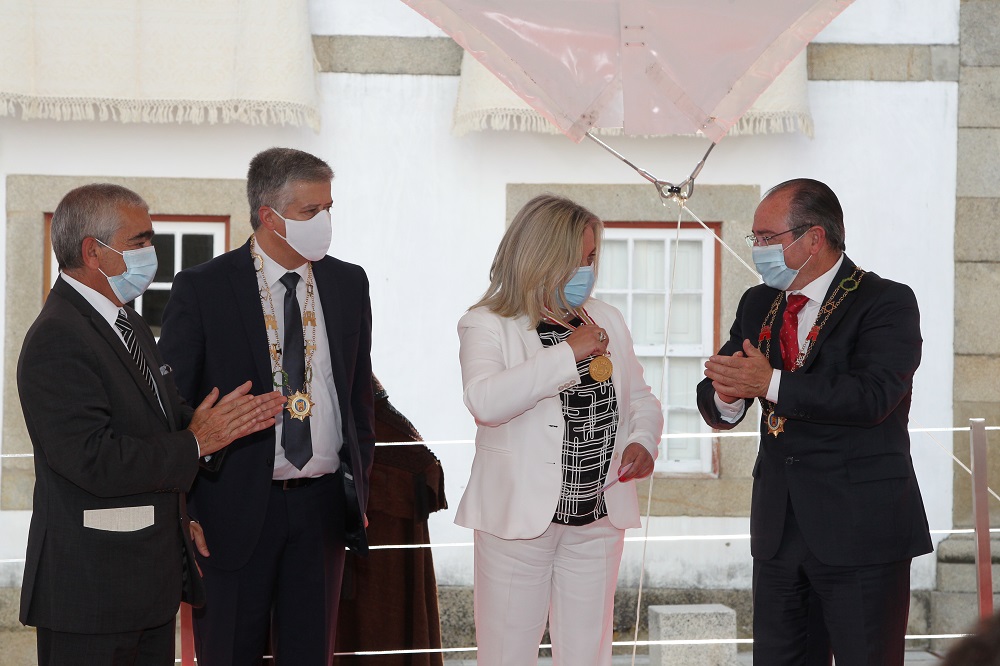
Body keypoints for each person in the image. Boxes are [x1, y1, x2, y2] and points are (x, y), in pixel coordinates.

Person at [17, 183, 284, 666]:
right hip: (92, 593)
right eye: (138, 241)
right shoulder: (58, 336)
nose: (150, 253)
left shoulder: (126, 322)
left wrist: (223, 425)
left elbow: (167, 417)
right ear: (93, 252)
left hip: (148, 585)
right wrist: (197, 441)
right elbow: (91, 458)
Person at [696, 178, 932, 664]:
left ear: (814, 238)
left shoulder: (885, 301)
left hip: (861, 529)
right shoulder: (758, 302)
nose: (757, 249)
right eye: (754, 239)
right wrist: (726, 394)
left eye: (767, 238)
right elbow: (724, 381)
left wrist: (769, 384)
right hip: (779, 528)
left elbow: (872, 397)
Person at [158, 147, 375, 665]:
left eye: (328, 208)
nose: (323, 222)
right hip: (230, 509)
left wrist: (358, 486)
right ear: (267, 216)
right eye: (308, 213)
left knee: (311, 654)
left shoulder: (349, 283)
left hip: (322, 508)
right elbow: (172, 408)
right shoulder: (204, 287)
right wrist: (185, 507)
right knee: (229, 651)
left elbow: (358, 395)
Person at [456, 194, 663, 666]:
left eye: (592, 258)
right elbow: (485, 401)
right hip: (518, 524)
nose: (587, 270)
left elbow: (639, 399)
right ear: (540, 256)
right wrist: (568, 354)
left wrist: (642, 440)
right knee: (507, 655)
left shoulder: (606, 318)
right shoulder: (487, 323)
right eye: (576, 259)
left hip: (597, 516)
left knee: (589, 654)